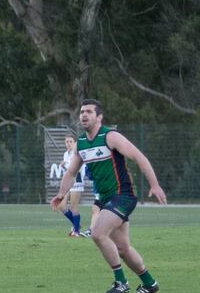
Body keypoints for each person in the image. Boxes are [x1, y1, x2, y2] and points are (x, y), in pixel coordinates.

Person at [51, 99, 166, 293]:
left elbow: (139, 157)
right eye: (82, 112)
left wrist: (154, 185)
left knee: (97, 233)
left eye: (89, 112)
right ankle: (150, 284)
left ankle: (121, 283)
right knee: (123, 249)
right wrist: (61, 194)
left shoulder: (110, 136)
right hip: (106, 199)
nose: (84, 115)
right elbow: (71, 173)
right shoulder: (81, 144)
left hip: (123, 196)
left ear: (99, 117)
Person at [56, 133, 86, 237]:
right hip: (69, 182)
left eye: (70, 141)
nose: (68, 143)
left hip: (76, 181)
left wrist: (66, 166)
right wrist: (63, 167)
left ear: (75, 143)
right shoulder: (66, 154)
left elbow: (77, 169)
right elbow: (68, 171)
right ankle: (76, 224)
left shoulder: (77, 153)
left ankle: (76, 232)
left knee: (74, 207)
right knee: (61, 206)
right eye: (67, 142)